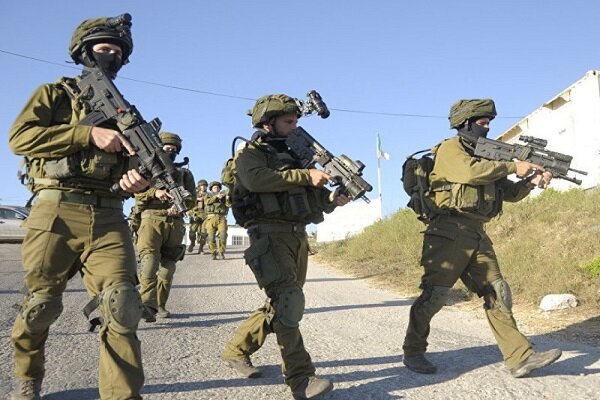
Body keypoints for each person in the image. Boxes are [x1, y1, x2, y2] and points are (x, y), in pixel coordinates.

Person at [8, 14, 148, 400]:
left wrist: (139, 179)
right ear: (84, 53)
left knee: (122, 304)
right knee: (40, 306)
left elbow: (134, 170)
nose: (111, 57)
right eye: (104, 49)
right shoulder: (53, 94)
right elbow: (20, 138)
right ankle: (28, 375)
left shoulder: (128, 115)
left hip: (108, 215)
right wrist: (87, 132)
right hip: (55, 210)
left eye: (118, 52)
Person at [402, 99, 561, 378]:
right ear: (466, 123)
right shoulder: (451, 149)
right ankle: (413, 350)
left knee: (497, 291)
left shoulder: (489, 158)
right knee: (435, 296)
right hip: (447, 231)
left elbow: (507, 193)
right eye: (482, 123)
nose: (487, 128)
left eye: (489, 123)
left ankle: (519, 357)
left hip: (477, 232)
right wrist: (514, 166)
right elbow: (468, 172)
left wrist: (530, 180)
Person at [222, 94, 349, 400]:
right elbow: (255, 181)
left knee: (282, 302)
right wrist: (307, 175)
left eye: (296, 122)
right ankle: (301, 379)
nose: (294, 127)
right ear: (268, 123)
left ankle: (236, 349)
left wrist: (330, 200)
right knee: (289, 301)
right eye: (288, 122)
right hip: (267, 235)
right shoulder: (249, 154)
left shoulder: (294, 159)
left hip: (296, 235)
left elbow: (306, 199)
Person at [134, 132, 196, 320]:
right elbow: (136, 194)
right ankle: (147, 306)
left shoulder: (184, 174)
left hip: (175, 225)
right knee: (149, 266)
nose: (170, 153)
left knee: (168, 271)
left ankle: (160, 306)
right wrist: (154, 192)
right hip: (151, 221)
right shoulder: (145, 169)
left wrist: (180, 207)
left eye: (174, 150)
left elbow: (192, 199)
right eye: (166, 149)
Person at [204, 181, 231, 260]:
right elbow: (206, 202)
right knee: (211, 237)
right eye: (215, 187)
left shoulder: (223, 196)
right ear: (211, 189)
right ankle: (213, 252)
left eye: (218, 187)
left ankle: (221, 252)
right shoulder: (208, 195)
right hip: (211, 218)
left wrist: (227, 199)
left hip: (221, 217)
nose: (216, 188)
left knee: (223, 235)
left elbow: (229, 205)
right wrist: (216, 197)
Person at [187, 179, 209, 254]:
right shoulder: (194, 195)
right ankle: (192, 243)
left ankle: (201, 248)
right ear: (199, 186)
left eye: (205, 186)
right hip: (195, 215)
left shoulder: (209, 195)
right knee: (192, 233)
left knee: (203, 233)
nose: (203, 187)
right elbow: (189, 203)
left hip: (205, 216)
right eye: (202, 186)